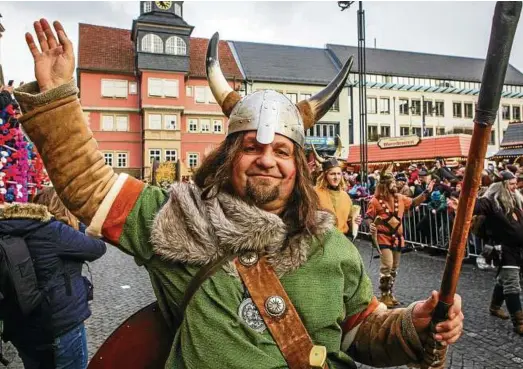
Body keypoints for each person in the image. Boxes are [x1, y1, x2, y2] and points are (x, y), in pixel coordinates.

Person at [14, 19, 463, 368]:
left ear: (300, 167)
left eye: (282, 150)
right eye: (252, 146)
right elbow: (91, 185)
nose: (267, 159)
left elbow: (360, 332)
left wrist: (411, 325)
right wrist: (57, 96)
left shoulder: (333, 248)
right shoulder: (177, 219)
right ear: (229, 157)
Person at [0, 191, 106, 368]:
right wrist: (77, 227)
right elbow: (97, 248)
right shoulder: (54, 230)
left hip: (22, 328)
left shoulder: (13, 226)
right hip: (60, 326)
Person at [366, 165, 435, 308]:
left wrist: (426, 193)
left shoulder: (400, 198)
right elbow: (368, 217)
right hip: (383, 237)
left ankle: (390, 293)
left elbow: (414, 202)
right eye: (391, 182)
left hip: (397, 237)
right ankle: (384, 295)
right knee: (387, 265)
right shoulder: (375, 201)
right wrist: (370, 225)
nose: (394, 185)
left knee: (394, 267)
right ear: (384, 185)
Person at [473, 171, 523, 335]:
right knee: (511, 282)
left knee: (504, 279)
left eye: (516, 184)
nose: (515, 187)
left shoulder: (516, 200)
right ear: (501, 186)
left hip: (518, 249)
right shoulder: (490, 202)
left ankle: (494, 307)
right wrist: (466, 195)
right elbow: (474, 206)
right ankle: (519, 322)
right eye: (511, 184)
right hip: (503, 249)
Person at [312, 150, 361, 236]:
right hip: (321, 239)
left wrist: (356, 220)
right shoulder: (314, 193)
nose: (336, 177)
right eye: (332, 174)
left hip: (342, 239)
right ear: (325, 176)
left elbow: (349, 220)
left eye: (339, 174)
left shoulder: (345, 196)